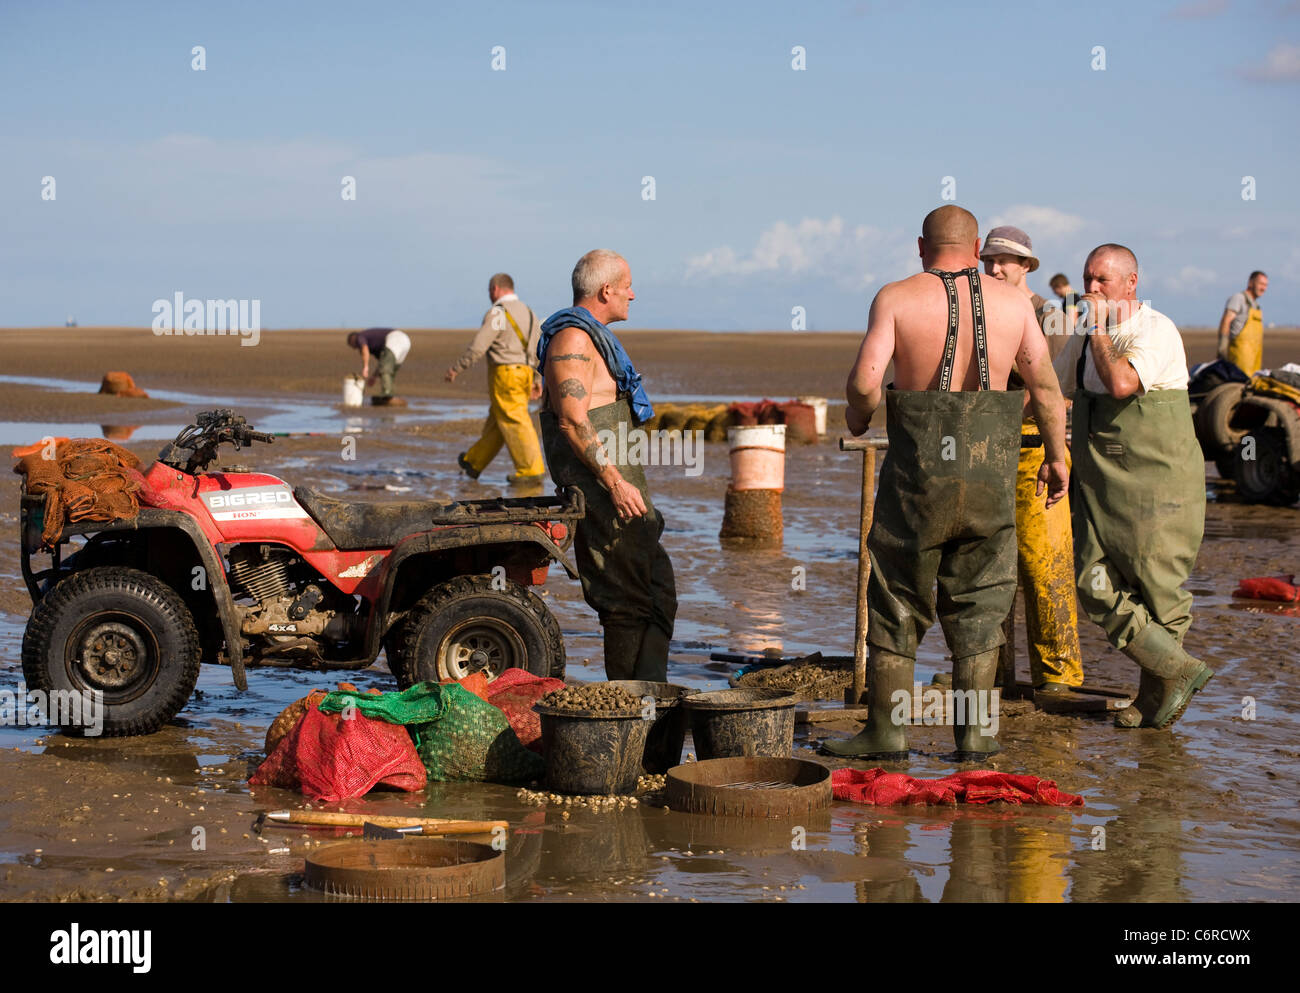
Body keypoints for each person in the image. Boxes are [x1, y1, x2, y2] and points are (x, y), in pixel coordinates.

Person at [824, 206, 1068, 760]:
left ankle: (886, 733)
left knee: (897, 593)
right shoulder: (1015, 304)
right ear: (977, 245)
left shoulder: (896, 297)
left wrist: (859, 418)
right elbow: (1048, 391)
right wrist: (1058, 459)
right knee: (981, 599)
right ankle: (977, 736)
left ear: (920, 245)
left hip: (917, 482)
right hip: (989, 478)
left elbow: (865, 382)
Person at [1054, 244, 1213, 729]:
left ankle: (1154, 700)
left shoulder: (1154, 329)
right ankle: (1178, 668)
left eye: (1101, 280)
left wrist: (1098, 327)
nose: (1090, 289)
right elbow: (1054, 389)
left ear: (1131, 283)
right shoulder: (1082, 335)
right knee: (1092, 580)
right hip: (1101, 485)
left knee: (1158, 590)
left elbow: (1122, 384)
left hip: (1156, 485)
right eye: (1087, 278)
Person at [536, 250, 677, 681]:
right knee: (625, 604)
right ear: (606, 290)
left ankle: (650, 702)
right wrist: (615, 483)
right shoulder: (574, 340)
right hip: (604, 490)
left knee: (657, 589)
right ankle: (630, 712)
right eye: (627, 285)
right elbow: (573, 420)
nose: (633, 294)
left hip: (623, 486)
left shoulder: (590, 338)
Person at [980, 227, 1084, 697]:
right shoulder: (979, 312)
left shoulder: (1051, 316)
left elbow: (1049, 390)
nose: (995, 268)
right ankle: (989, 671)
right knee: (985, 561)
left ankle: (1058, 676)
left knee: (1045, 563)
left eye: (1005, 260)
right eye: (989, 260)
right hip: (987, 446)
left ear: (1027, 266)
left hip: (1036, 445)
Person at [446, 273, 545, 483]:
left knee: (514, 419)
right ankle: (474, 462)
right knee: (498, 421)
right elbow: (539, 349)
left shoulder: (499, 314)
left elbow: (479, 346)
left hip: (505, 374)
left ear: (495, 289)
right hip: (525, 373)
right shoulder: (530, 313)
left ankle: (531, 471)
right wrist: (536, 379)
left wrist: (457, 368)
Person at [1216, 271, 1268, 376]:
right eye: (1261, 284)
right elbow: (1226, 320)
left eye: (1266, 285)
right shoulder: (1239, 298)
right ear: (1251, 283)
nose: (1263, 288)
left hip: (1254, 358)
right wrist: (1222, 347)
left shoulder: (1256, 306)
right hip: (1239, 357)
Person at [347, 327, 411, 403]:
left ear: (352, 340)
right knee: (391, 371)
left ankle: (387, 394)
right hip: (406, 342)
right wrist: (374, 376)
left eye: (353, 346)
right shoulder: (376, 347)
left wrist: (365, 367)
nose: (355, 348)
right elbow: (382, 362)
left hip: (395, 339)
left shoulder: (360, 337)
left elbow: (364, 349)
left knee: (386, 370)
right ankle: (391, 394)